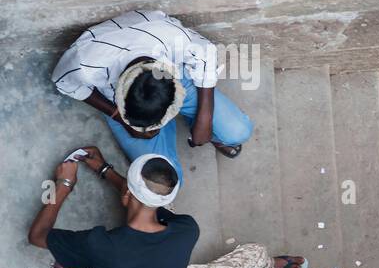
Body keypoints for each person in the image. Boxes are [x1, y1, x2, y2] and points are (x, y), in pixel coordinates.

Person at [27, 146, 307, 268]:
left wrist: (64, 184)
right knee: (256, 253)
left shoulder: (98, 245)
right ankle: (267, 267)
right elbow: (153, 204)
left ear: (127, 193)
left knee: (103, 264)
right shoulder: (186, 230)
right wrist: (106, 170)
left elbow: (38, 235)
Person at [50, 10, 253, 186]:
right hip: (120, 97)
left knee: (238, 132)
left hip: (173, 73)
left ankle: (203, 128)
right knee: (163, 181)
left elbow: (205, 53)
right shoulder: (84, 63)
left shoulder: (172, 37)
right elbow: (64, 82)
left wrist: (205, 118)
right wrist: (120, 118)